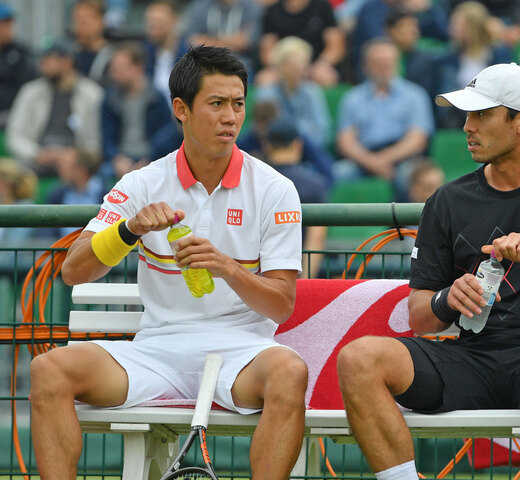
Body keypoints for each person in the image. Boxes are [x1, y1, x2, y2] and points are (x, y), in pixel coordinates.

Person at [336, 62, 520, 480]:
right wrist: (447, 299)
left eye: (481, 115)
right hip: (469, 356)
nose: (466, 127)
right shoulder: (447, 200)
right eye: (466, 115)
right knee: (359, 358)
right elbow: (419, 315)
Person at [29, 45, 308, 479]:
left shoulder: (276, 189)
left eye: (238, 104)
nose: (231, 117)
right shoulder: (141, 182)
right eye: (216, 104)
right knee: (48, 370)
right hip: (156, 350)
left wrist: (228, 268)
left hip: (242, 353)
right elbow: (73, 270)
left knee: (290, 371)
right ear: (181, 109)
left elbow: (282, 305)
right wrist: (129, 231)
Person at [334, 38, 434, 201]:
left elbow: (417, 139)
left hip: (402, 159)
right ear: (365, 66)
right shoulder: (352, 98)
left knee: (413, 176)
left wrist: (383, 160)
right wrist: (372, 162)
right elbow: (345, 141)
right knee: (339, 173)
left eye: (389, 62)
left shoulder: (415, 95)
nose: (384, 67)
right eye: (378, 62)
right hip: (362, 158)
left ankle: (409, 225)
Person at [6, 39, 103, 176]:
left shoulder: (92, 94)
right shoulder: (30, 92)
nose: (42, 64)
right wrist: (36, 154)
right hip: (34, 164)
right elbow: (14, 137)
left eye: (48, 59)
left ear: (67, 61)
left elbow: (96, 141)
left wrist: (75, 156)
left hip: (77, 166)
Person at [101, 42, 182, 179]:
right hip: (120, 159)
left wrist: (149, 159)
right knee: (103, 175)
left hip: (151, 158)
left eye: (120, 69)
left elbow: (165, 134)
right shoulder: (109, 99)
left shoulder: (156, 98)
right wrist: (117, 158)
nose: (114, 75)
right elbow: (106, 138)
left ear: (138, 67)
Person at [263, 117, 328, 278]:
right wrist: (305, 283)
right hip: (296, 274)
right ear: (297, 145)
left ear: (268, 146)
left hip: (261, 279)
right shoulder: (315, 183)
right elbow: (316, 238)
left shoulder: (256, 180)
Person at [254, 36, 332, 148]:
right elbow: (267, 132)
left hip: (308, 149)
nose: (299, 68)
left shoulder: (313, 91)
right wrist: (302, 130)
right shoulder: (266, 93)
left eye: (303, 63)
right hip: (276, 151)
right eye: (293, 64)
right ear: (280, 65)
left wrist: (296, 136)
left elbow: (323, 132)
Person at [0, 2, 36, 130]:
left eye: (10, 23)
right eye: (3, 24)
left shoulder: (22, 53)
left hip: (16, 119)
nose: (8, 28)